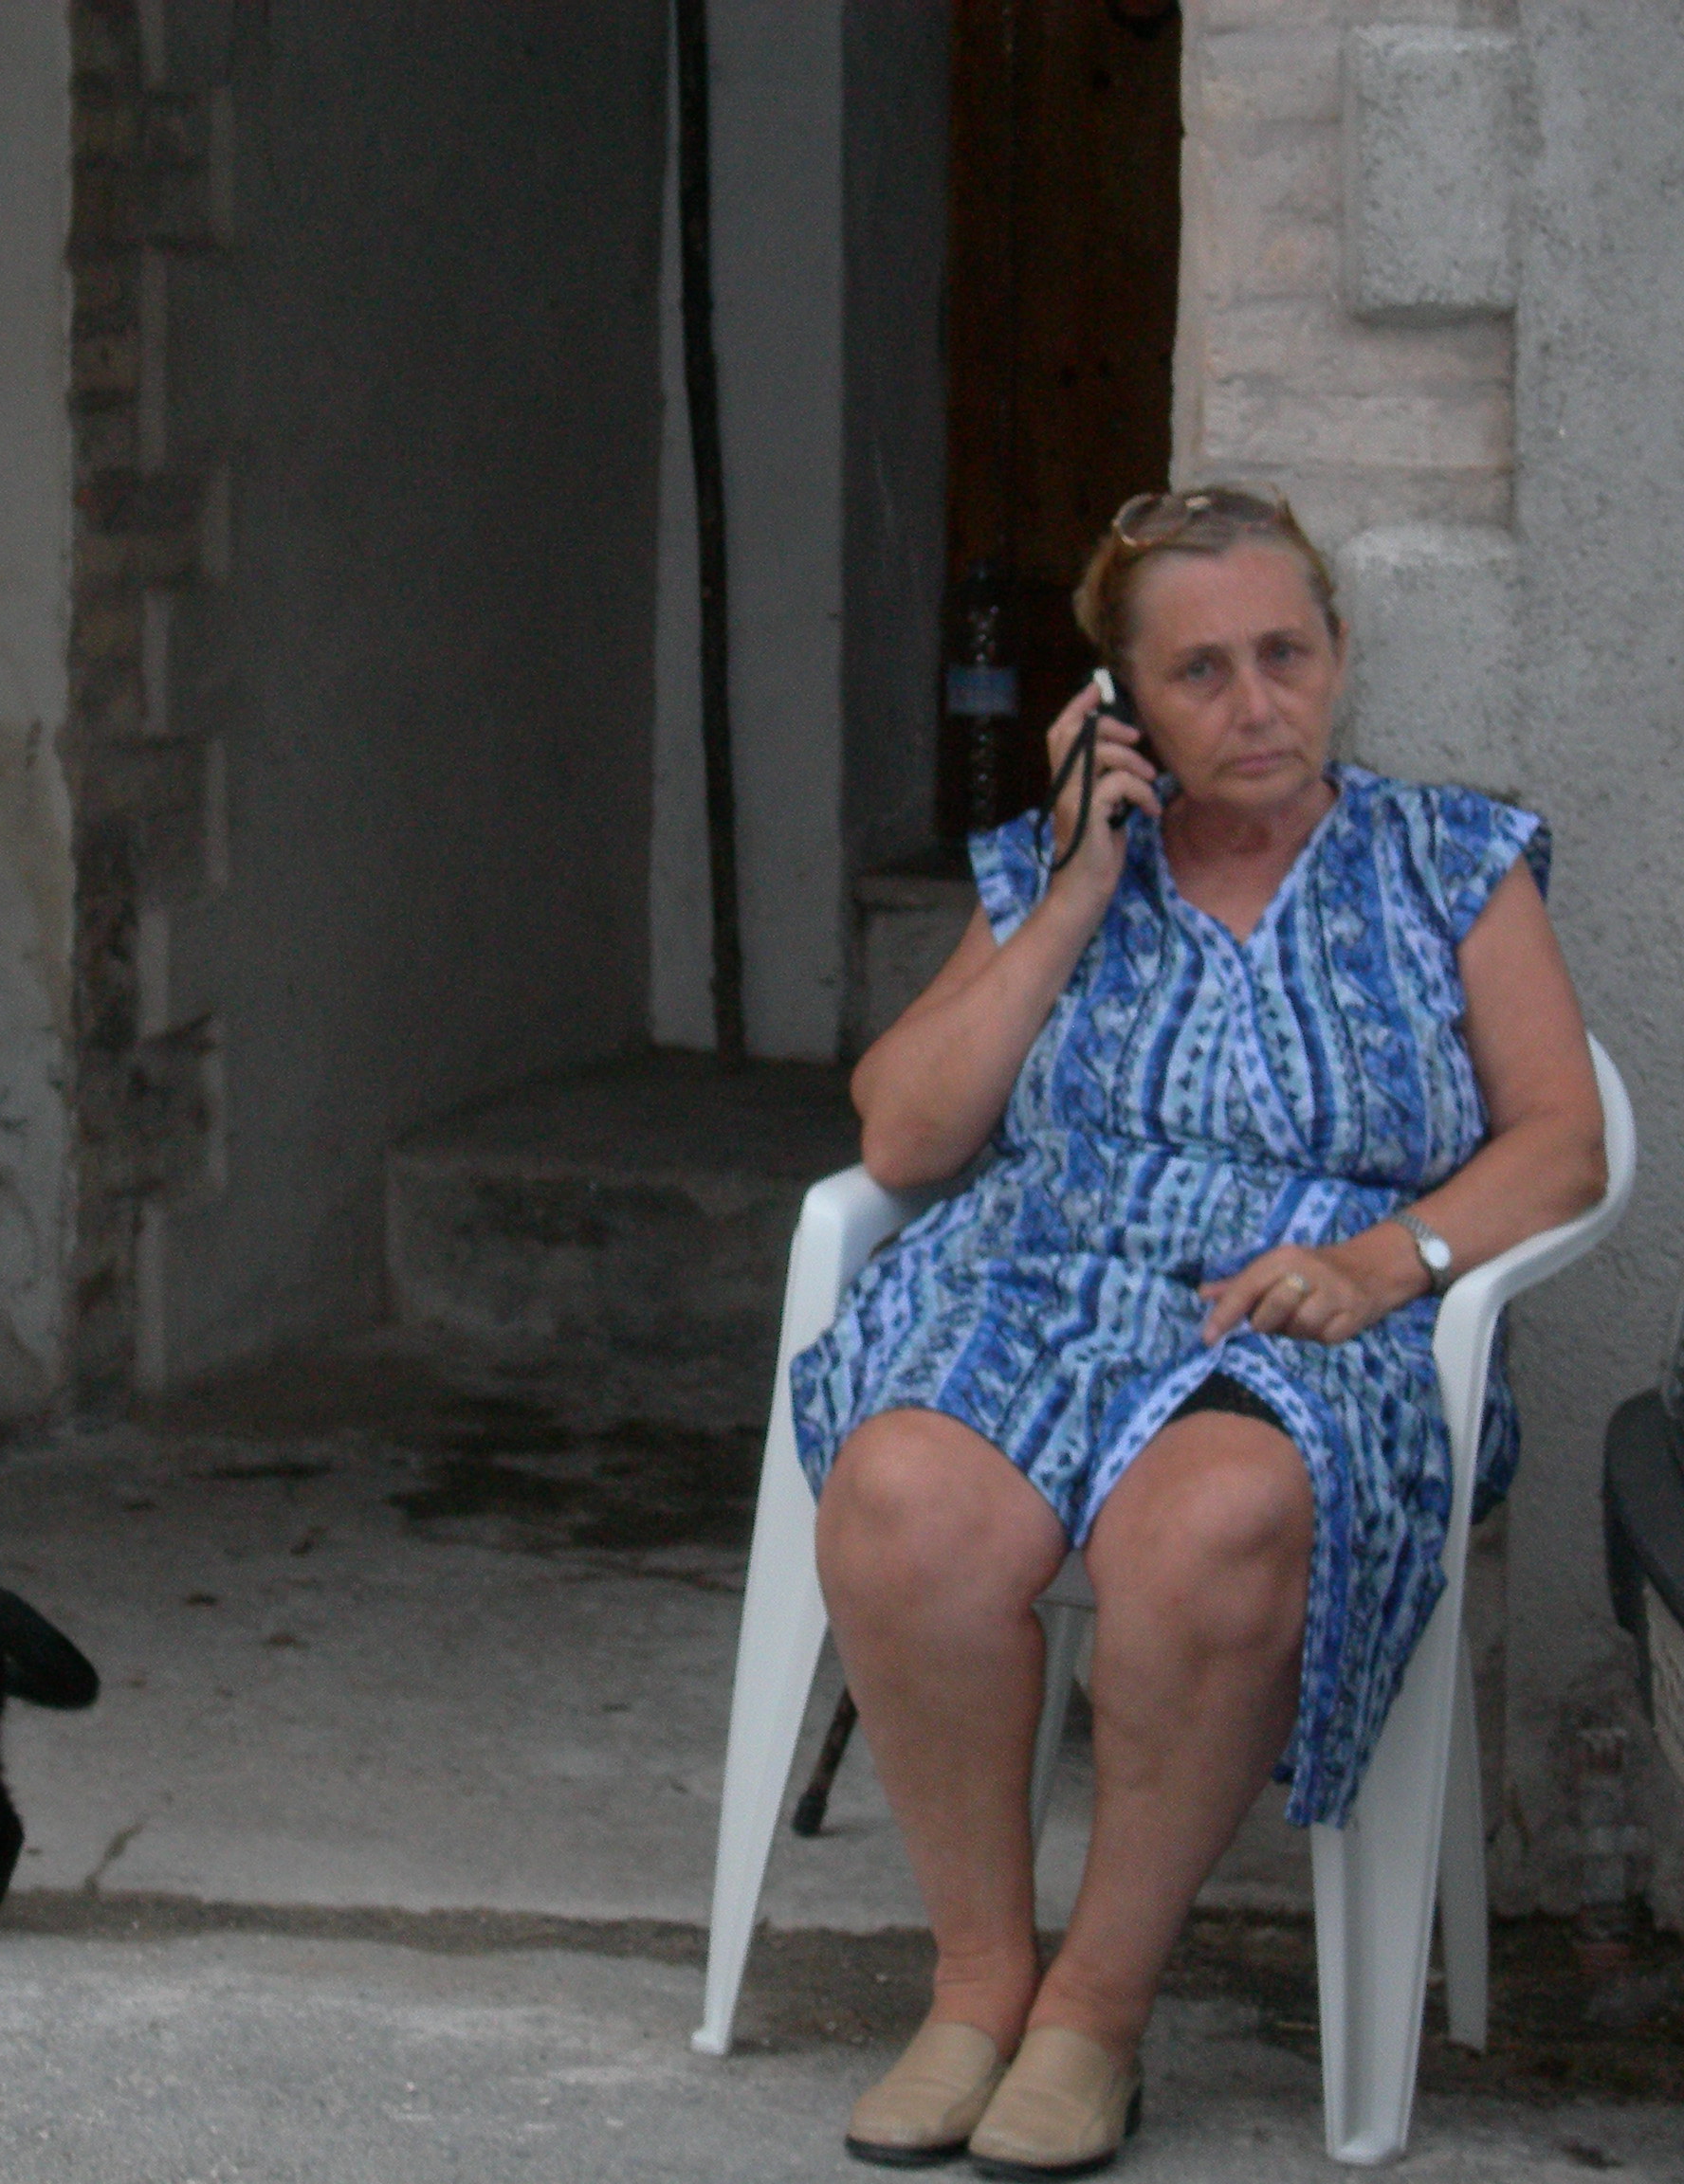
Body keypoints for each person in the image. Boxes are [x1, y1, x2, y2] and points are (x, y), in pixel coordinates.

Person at [791, 488, 1607, 2176]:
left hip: (1320, 1313)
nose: (1257, 704)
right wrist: (1078, 887)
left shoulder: (1448, 860)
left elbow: (1561, 1141)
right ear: (1124, 706)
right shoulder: (1057, 868)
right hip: (1050, 1283)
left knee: (1211, 1520)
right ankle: (977, 1987)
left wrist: (1389, 1260)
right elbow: (904, 1135)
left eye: (1286, 655)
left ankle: (1093, 2015)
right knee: (899, 1498)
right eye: (1202, 673)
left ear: (1339, 656)